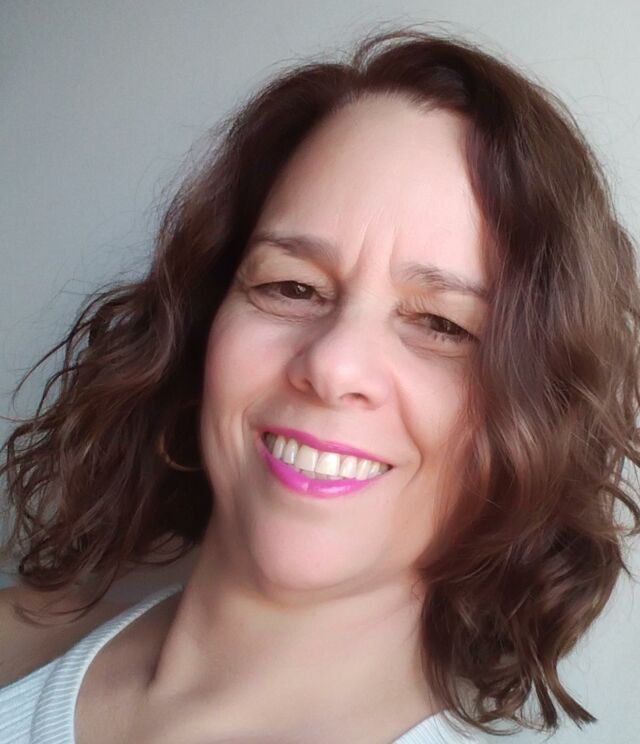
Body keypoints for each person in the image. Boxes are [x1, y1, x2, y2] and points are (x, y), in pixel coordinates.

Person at [1, 25, 639, 744]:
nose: (333, 366)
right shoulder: (15, 640)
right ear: (206, 324)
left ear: (538, 413)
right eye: (292, 287)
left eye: (443, 324)